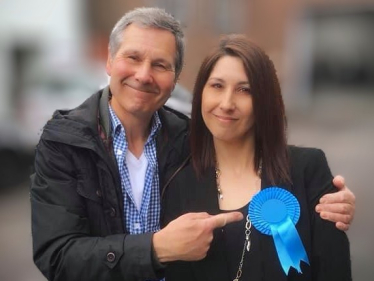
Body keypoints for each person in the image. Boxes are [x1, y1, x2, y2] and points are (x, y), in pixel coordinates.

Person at [30, 7, 354, 281]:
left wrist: (334, 201)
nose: (144, 75)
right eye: (133, 57)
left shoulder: (184, 143)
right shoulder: (65, 143)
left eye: (160, 64)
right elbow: (57, 256)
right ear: (110, 61)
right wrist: (156, 249)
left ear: (175, 78)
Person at [162, 34, 352, 280]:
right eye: (217, 86)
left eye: (244, 90)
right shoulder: (179, 183)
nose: (227, 103)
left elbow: (334, 271)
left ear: (264, 100)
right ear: (200, 94)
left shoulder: (307, 171)